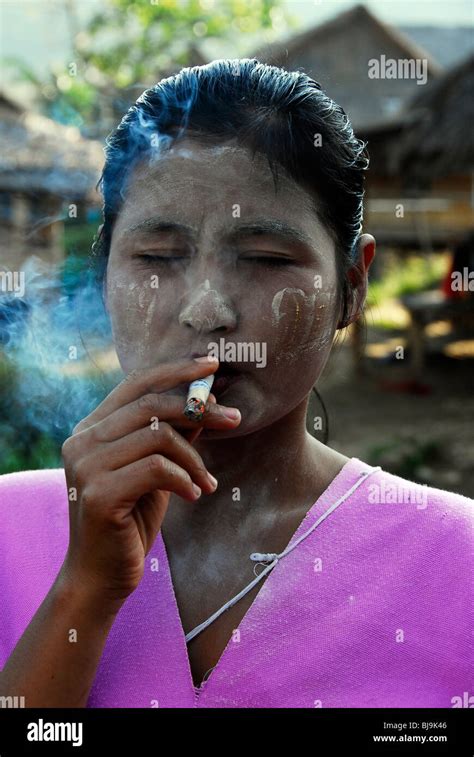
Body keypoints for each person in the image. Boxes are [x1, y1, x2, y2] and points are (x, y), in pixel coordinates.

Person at [0, 59, 471, 708]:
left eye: (265, 258)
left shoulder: (455, 559)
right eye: (159, 256)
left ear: (353, 285)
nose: (207, 309)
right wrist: (83, 589)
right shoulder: (8, 530)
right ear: (104, 269)